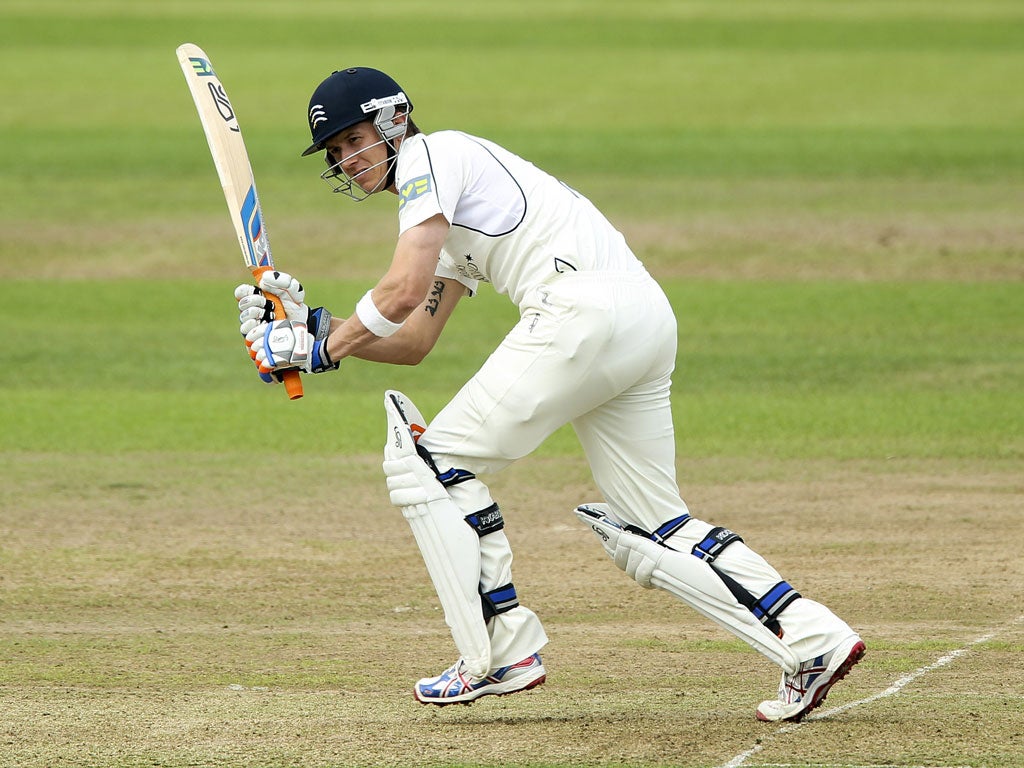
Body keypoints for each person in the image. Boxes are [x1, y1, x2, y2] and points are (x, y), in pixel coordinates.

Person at [234, 66, 865, 721]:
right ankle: (812, 641)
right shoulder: (445, 212)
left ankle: (499, 653)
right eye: (334, 153)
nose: (347, 160)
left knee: (430, 464)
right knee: (653, 525)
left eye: (352, 140)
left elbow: (395, 292)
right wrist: (315, 329)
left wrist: (318, 349)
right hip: (640, 319)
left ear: (392, 121)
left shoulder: (432, 155)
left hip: (578, 315)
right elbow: (414, 336)